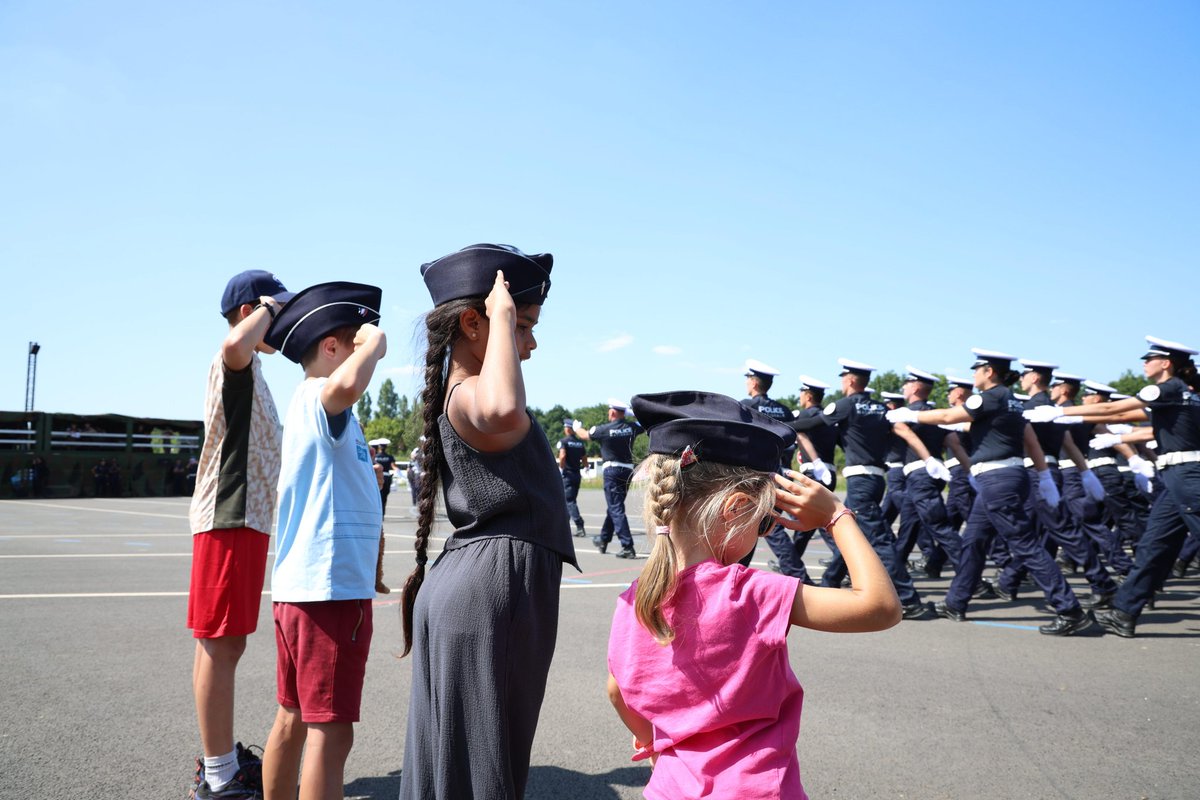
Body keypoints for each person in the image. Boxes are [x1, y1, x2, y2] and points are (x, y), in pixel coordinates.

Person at [606, 390, 901, 800]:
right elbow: (880, 608)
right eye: (763, 520)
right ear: (736, 507)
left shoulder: (635, 599)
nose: (766, 532)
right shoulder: (751, 592)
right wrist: (837, 516)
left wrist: (654, 745)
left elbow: (617, 691)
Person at [399, 244, 579, 799]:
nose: (530, 343)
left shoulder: (466, 390)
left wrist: (502, 321)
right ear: (472, 322)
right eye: (524, 326)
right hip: (493, 590)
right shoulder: (473, 393)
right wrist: (503, 316)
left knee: (465, 768)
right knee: (484, 771)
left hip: (482, 585)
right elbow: (503, 408)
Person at [259, 281, 386, 800]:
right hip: (327, 594)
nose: (365, 352)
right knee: (330, 732)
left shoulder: (329, 413)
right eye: (353, 343)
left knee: (293, 717)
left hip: (308, 589)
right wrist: (375, 348)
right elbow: (344, 387)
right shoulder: (320, 396)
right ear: (332, 348)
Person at [886, 348, 1094, 635]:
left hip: (998, 479)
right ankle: (956, 602)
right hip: (1002, 478)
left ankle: (1069, 609)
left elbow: (948, 415)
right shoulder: (1012, 402)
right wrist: (1043, 475)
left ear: (990, 372)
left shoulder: (989, 397)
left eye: (977, 370)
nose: (973, 375)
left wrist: (912, 415)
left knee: (1025, 545)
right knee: (973, 541)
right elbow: (1030, 438)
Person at [188, 269, 294, 799]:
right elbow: (233, 341)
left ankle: (221, 762)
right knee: (220, 645)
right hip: (229, 516)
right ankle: (218, 775)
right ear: (252, 310)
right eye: (279, 310)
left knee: (226, 644)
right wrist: (268, 311)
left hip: (245, 519)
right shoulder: (237, 355)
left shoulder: (253, 367)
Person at [1025, 336, 1200, 637]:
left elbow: (1113, 410)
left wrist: (1062, 412)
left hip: (1187, 474)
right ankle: (1124, 612)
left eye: (1150, 359)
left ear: (1166, 363)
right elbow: (1132, 417)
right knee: (1152, 546)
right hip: (1175, 475)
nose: (1144, 364)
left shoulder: (1167, 387)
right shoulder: (1180, 392)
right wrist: (1119, 437)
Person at [791, 358, 935, 619]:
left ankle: (908, 598)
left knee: (877, 538)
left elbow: (814, 425)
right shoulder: (881, 408)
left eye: (844, 378)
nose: (842, 382)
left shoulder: (847, 405)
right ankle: (830, 581)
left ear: (851, 380)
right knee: (857, 531)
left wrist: (785, 426)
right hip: (878, 478)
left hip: (859, 480)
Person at [889, 367, 963, 578]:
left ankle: (969, 572)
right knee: (908, 529)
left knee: (940, 527)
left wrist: (928, 459)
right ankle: (893, 573)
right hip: (930, 474)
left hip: (921, 474)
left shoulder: (907, 415)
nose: (904, 387)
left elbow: (904, 432)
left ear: (916, 387)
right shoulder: (932, 414)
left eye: (907, 383)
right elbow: (953, 442)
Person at [739, 359, 798, 570]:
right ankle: (795, 571)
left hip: (751, 476)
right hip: (776, 473)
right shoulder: (784, 411)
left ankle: (796, 573)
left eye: (748, 379)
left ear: (754, 383)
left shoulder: (745, 407)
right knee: (765, 526)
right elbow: (791, 445)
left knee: (749, 527)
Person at [574, 400, 645, 558]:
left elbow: (585, 435)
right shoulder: (631, 427)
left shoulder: (604, 429)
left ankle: (627, 546)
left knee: (615, 507)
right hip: (627, 471)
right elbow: (645, 422)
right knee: (615, 506)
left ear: (613, 413)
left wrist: (576, 427)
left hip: (612, 471)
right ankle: (603, 539)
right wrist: (633, 414)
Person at [557, 418, 589, 537]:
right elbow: (584, 457)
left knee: (569, 501)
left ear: (568, 429)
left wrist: (561, 469)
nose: (565, 429)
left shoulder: (564, 441)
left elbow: (562, 456)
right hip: (577, 474)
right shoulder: (580, 443)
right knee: (570, 500)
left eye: (566, 427)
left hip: (568, 474)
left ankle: (579, 525)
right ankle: (563, 526)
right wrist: (586, 467)